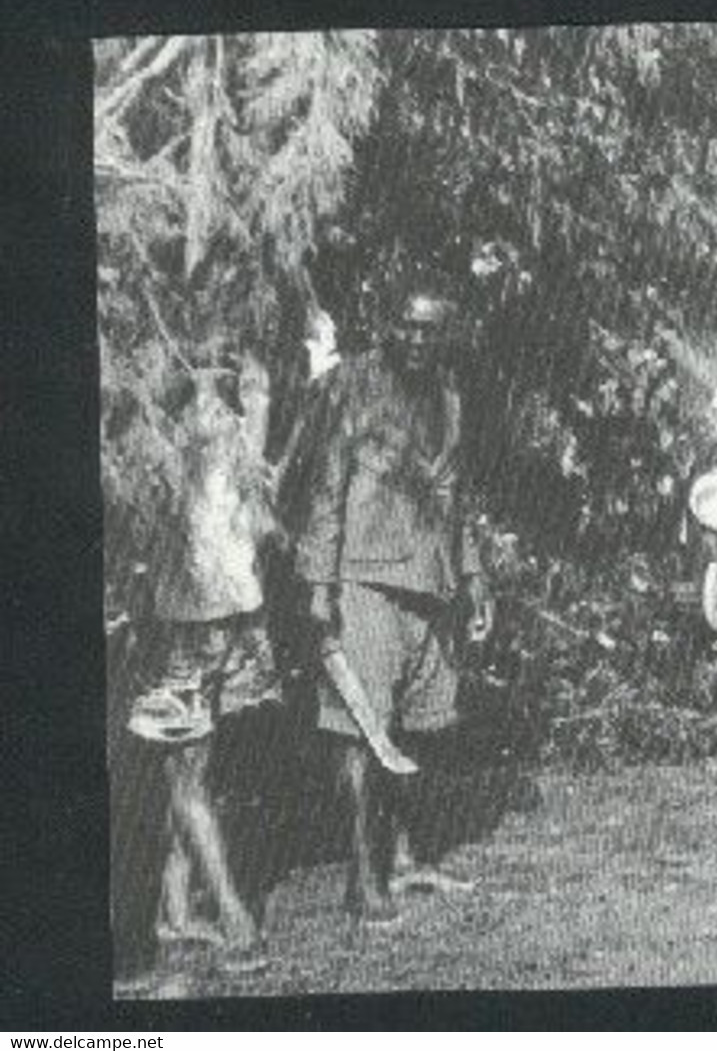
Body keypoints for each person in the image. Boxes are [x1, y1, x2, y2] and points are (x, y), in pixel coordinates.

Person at [294, 280, 492, 927]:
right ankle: (361, 876)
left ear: (446, 334)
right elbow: (324, 489)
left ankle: (407, 860)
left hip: (428, 582)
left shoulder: (451, 395)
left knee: (419, 723)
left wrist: (473, 576)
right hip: (363, 580)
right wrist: (319, 587)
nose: (414, 338)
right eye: (405, 324)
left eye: (427, 328)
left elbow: (455, 497)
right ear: (387, 324)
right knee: (358, 728)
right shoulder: (351, 385)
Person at [125, 356, 281, 973]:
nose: (219, 402)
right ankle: (231, 913)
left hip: (224, 619)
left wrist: (235, 385)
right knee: (187, 770)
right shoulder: (160, 435)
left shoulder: (233, 432)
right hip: (186, 623)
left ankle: (178, 912)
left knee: (187, 766)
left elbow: (257, 400)